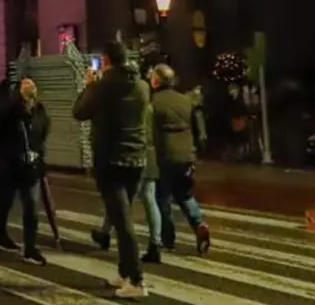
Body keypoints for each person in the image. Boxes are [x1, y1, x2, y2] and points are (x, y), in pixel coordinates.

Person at [73, 42, 151, 299]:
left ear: (106, 61)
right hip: (137, 158)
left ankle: (137, 280)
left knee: (122, 220)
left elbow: (79, 112)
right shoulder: (141, 85)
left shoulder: (103, 87)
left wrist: (89, 84)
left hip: (111, 159)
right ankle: (124, 271)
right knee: (121, 217)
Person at [93, 86, 162, 262]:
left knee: (120, 199)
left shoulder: (127, 107)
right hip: (150, 154)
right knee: (148, 199)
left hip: (132, 154)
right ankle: (155, 242)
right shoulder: (150, 108)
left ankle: (109, 235)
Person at [151, 64, 212, 254]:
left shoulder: (153, 102)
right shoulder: (185, 100)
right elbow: (196, 125)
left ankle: (167, 238)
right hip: (186, 154)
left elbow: (151, 132)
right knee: (184, 194)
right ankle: (199, 224)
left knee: (162, 198)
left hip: (165, 155)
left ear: (156, 81)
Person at [0, 77, 51, 264]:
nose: (30, 87)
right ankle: (0, 233)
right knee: (5, 201)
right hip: (10, 164)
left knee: (31, 206)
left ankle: (30, 247)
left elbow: (43, 132)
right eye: (25, 84)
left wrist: (39, 155)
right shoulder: (10, 110)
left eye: (32, 84)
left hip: (31, 166)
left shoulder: (40, 110)